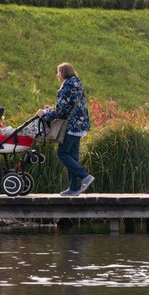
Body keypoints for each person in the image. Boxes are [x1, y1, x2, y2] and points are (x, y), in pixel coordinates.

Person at [38, 62, 94, 196]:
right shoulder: (77, 84)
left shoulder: (67, 86)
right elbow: (69, 107)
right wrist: (52, 109)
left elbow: (62, 112)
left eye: (58, 72)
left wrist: (44, 114)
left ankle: (85, 176)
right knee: (72, 157)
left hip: (71, 126)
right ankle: (74, 188)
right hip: (80, 125)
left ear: (63, 73)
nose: (57, 75)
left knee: (62, 154)